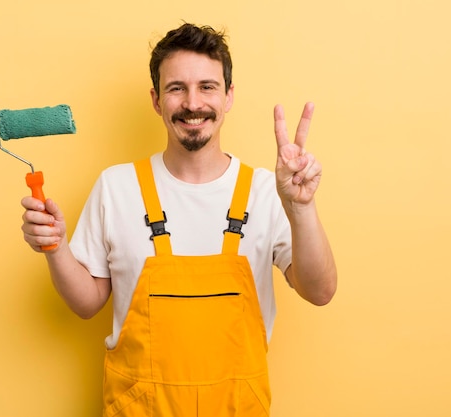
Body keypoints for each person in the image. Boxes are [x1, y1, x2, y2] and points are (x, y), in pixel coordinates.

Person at [21, 22, 336, 417]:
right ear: (156, 99)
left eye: (207, 86)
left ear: (228, 96)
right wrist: (55, 246)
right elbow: (87, 304)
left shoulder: (265, 190)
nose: (192, 103)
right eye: (176, 88)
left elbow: (320, 291)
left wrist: (302, 206)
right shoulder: (116, 187)